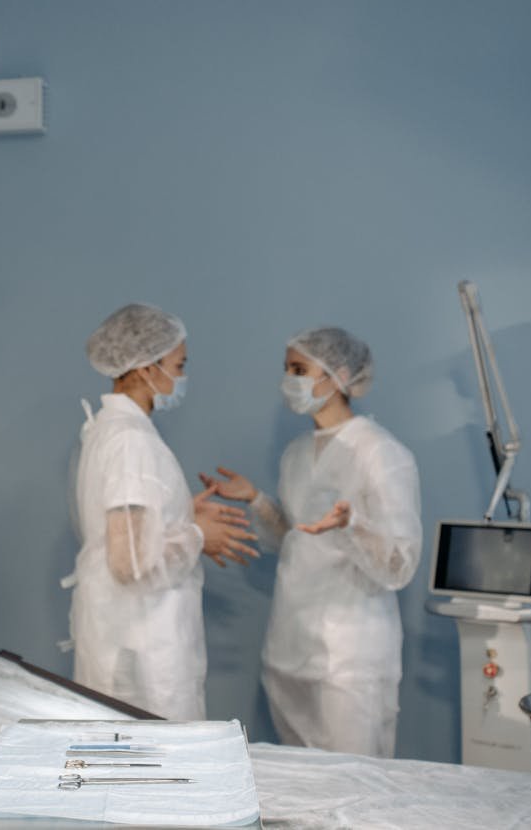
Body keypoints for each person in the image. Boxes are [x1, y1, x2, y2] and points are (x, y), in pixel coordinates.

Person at [201, 327, 421, 757]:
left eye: (300, 369)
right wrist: (256, 500)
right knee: (305, 785)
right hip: (289, 645)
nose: (290, 380)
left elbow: (400, 562)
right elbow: (297, 540)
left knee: (354, 788)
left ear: (339, 374)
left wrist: (352, 523)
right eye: (286, 370)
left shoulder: (381, 454)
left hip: (351, 653)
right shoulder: (296, 454)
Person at [66, 303, 259, 720]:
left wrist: (178, 514)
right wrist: (198, 535)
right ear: (145, 368)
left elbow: (121, 531)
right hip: (142, 653)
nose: (182, 376)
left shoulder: (108, 430)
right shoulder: (131, 440)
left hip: (126, 638)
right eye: (179, 364)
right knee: (152, 773)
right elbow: (130, 562)